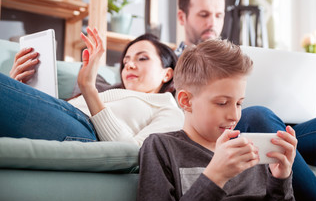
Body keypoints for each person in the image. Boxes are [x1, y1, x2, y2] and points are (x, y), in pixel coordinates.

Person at [175, 0, 316, 201]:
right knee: (257, 116)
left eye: (218, 15)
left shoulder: (239, 57)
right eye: (204, 15)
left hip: (272, 123)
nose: (212, 22)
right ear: (182, 17)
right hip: (238, 127)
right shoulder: (166, 60)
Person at [137, 39, 297, 201]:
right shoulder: (161, 147)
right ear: (186, 101)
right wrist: (215, 176)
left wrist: (281, 180)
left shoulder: (250, 152)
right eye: (222, 103)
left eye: (239, 103)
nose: (234, 116)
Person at [0, 27, 184, 146]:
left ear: (167, 73)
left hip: (84, 129)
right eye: (126, 60)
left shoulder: (169, 110)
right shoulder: (111, 93)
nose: (129, 65)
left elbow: (134, 154)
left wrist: (89, 89)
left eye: (142, 58)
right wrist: (18, 88)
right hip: (64, 114)